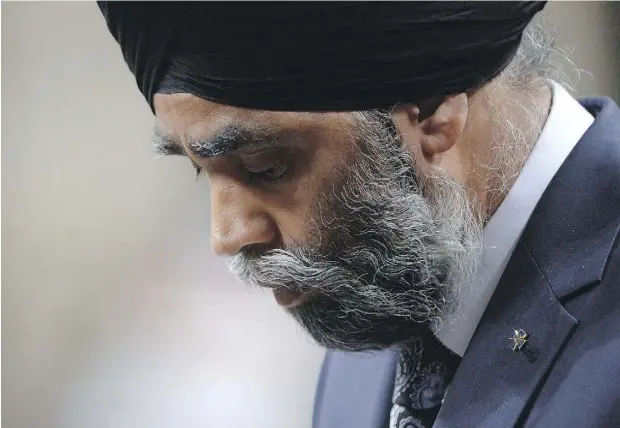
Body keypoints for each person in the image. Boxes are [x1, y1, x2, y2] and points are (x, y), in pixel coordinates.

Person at [98, 2, 620, 427]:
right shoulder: (380, 287)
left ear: (432, 107)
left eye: (266, 165)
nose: (225, 235)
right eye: (200, 170)